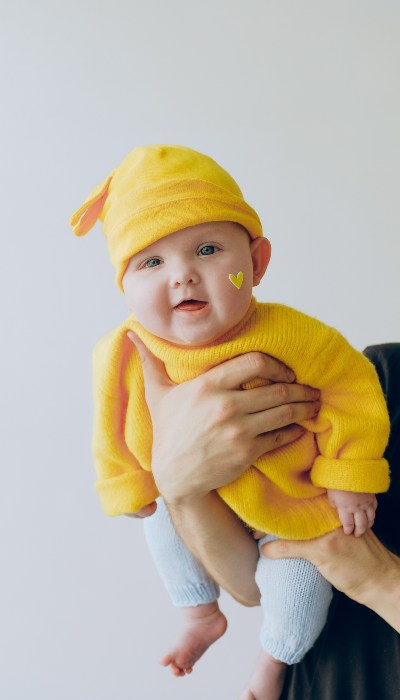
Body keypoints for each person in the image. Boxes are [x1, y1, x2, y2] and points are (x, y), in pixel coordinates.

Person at [71, 145, 390, 700]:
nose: (183, 276)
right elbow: (109, 421)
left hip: (293, 506)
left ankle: (272, 661)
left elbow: (353, 390)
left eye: (208, 249)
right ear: (123, 286)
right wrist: (130, 482)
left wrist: (349, 475)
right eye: (151, 262)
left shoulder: (291, 336)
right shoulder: (122, 350)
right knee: (160, 526)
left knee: (301, 584)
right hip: (194, 499)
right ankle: (199, 615)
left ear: (258, 262)